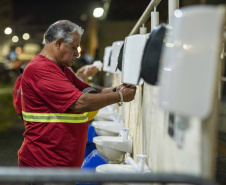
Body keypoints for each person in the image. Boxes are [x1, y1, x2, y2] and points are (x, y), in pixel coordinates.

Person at [18, 20, 136, 168]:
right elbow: (79, 102)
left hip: (58, 165)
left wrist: (116, 89)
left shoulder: (62, 69)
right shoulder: (40, 69)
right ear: (59, 43)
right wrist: (119, 97)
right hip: (44, 165)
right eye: (74, 47)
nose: (77, 54)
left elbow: (90, 90)